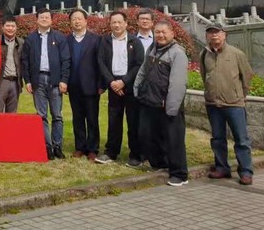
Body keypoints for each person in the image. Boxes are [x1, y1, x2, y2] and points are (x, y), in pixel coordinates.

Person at [134, 19, 189, 187]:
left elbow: (178, 83)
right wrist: (137, 87)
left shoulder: (177, 53)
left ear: (172, 33)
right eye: (157, 32)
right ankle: (160, 163)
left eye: (164, 32)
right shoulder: (153, 49)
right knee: (147, 134)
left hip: (168, 104)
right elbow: (143, 70)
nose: (160, 35)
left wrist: (172, 107)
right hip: (150, 100)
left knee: (174, 139)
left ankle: (179, 173)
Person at [200, 25, 254, 185]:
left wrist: (240, 95)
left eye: (217, 32)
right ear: (207, 36)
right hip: (213, 103)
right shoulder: (204, 54)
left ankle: (246, 171)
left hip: (234, 104)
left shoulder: (236, 54)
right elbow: (204, 75)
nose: (214, 35)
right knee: (217, 138)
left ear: (224, 35)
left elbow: (247, 76)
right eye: (210, 33)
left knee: (241, 139)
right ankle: (222, 167)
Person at [21, 8, 70, 160]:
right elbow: (25, 61)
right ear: (37, 19)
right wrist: (28, 81)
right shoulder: (30, 39)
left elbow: (66, 60)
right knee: (41, 115)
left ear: (51, 20)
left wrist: (64, 80)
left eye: (47, 17)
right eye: (41, 17)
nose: (44, 19)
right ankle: (47, 147)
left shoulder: (59, 37)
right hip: (38, 80)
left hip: (55, 80)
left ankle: (57, 146)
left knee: (57, 115)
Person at [96, 11, 144, 166]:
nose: (116, 25)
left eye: (119, 22)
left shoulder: (135, 41)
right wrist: (112, 82)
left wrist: (124, 81)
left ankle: (135, 154)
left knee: (133, 120)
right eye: (113, 22)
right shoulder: (105, 41)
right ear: (110, 24)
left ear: (126, 24)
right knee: (114, 120)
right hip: (113, 85)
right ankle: (111, 152)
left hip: (130, 85)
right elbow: (101, 62)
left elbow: (139, 64)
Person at [66, 9, 102, 160]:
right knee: (77, 117)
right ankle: (80, 147)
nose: (77, 21)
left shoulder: (96, 39)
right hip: (73, 85)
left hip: (91, 86)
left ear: (86, 21)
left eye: (79, 18)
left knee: (92, 118)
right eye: (74, 19)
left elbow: (100, 63)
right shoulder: (66, 40)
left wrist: (101, 84)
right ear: (70, 22)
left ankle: (93, 148)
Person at [0, 16, 24, 113]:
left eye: (13, 26)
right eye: (8, 26)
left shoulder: (21, 43)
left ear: (16, 28)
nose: (10, 28)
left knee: (12, 113)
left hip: (15, 82)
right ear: (2, 27)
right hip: (1, 81)